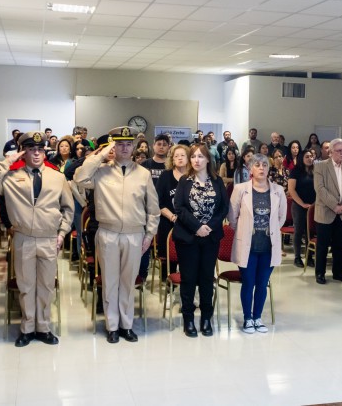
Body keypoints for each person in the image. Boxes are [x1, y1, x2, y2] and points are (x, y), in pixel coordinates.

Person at [0, 131, 74, 347]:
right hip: (23, 237)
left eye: (40, 149)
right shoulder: (11, 177)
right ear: (23, 152)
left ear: (44, 152)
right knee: (25, 286)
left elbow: (68, 209)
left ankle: (43, 327)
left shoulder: (57, 177)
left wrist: (62, 234)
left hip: (49, 238)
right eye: (31, 149)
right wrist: (6, 162)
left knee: (45, 286)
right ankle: (27, 327)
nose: (36, 153)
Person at [74, 126, 159, 344]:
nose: (124, 147)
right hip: (108, 232)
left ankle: (126, 325)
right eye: (119, 143)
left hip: (134, 234)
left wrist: (149, 235)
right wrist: (101, 154)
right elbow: (79, 177)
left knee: (128, 282)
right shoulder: (101, 171)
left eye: (127, 144)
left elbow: (153, 209)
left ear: (133, 147)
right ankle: (112, 326)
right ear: (113, 146)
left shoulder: (144, 174)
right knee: (110, 281)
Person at [172, 143, 229, 338]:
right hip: (188, 237)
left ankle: (206, 318)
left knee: (206, 278)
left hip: (210, 237)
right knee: (188, 279)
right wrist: (197, 227)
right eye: (193, 156)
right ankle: (188, 318)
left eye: (200, 157)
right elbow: (179, 208)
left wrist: (209, 227)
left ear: (207, 160)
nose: (196, 160)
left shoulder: (217, 181)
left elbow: (223, 208)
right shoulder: (184, 181)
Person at [228, 154, 286, 333]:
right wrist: (244, 229)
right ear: (250, 169)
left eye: (265, 165)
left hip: (268, 244)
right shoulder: (240, 189)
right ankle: (247, 318)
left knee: (262, 283)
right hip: (248, 243)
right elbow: (232, 216)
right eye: (257, 165)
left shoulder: (278, 190)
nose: (262, 168)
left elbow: (281, 217)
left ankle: (258, 317)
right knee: (248, 282)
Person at [312, 138, 342, 285]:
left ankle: (338, 273)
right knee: (323, 246)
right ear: (331, 152)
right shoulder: (320, 167)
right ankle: (320, 273)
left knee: (340, 246)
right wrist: (335, 206)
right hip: (326, 212)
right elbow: (320, 189)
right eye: (339, 151)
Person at [156, 144, 189, 278]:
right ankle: (168, 289)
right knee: (169, 261)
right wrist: (172, 217)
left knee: (187, 261)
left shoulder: (194, 176)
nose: (180, 158)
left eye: (183, 155)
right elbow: (159, 202)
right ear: (172, 159)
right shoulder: (165, 176)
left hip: (189, 225)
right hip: (168, 223)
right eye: (176, 156)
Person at [288, 149, 316, 268]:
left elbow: (319, 188)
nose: (310, 159)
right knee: (299, 231)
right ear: (301, 158)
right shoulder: (296, 171)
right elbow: (291, 190)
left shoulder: (316, 171)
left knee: (311, 231)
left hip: (313, 205)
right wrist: (302, 204)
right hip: (299, 205)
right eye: (307, 157)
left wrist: (314, 204)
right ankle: (297, 257)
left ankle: (309, 257)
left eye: (311, 156)